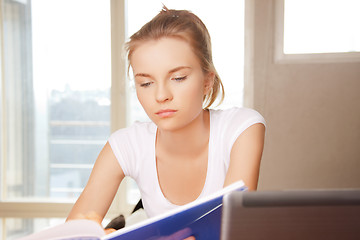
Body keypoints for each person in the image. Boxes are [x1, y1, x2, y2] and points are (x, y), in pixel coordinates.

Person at [66, 6, 266, 237]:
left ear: (207, 81)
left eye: (178, 78)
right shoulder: (126, 144)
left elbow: (234, 231)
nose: (161, 96)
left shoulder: (241, 128)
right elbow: (71, 233)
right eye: (146, 83)